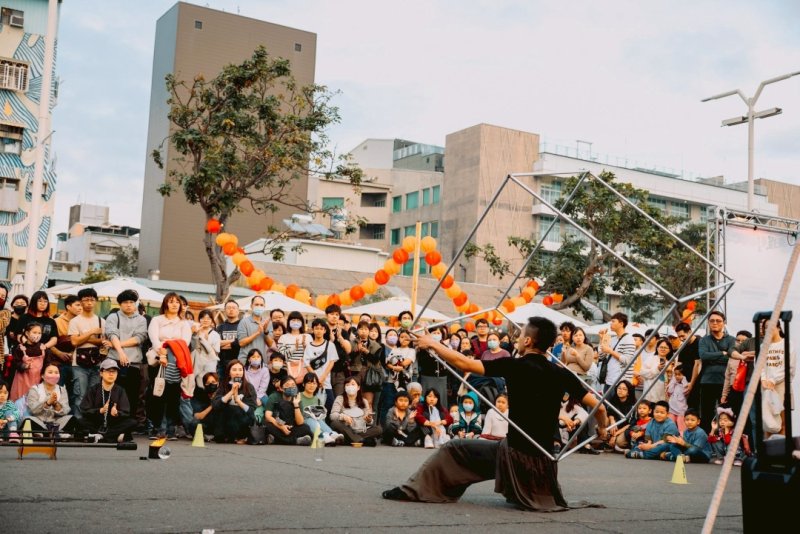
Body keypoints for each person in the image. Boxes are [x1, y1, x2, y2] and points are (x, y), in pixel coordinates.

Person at [383, 317, 608, 510]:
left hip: (514, 454)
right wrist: (602, 428)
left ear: (528, 341)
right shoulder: (562, 374)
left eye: (521, 336)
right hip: (545, 462)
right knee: (474, 448)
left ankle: (413, 490)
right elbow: (601, 407)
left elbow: (465, 363)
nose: (518, 340)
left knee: (454, 448)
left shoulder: (515, 365)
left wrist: (433, 344)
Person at [147, 292, 192, 440]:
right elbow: (154, 338)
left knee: (173, 396)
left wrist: (170, 349)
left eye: (177, 302)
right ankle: (158, 427)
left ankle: (171, 428)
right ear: (165, 303)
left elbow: (184, 342)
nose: (174, 304)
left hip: (177, 360)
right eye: (171, 301)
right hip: (159, 358)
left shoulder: (184, 323)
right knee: (158, 394)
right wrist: (163, 353)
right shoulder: (156, 320)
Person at [103, 289, 149, 433]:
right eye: (125, 302)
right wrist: (121, 353)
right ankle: (110, 423)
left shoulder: (141, 319)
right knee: (112, 393)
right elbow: (112, 334)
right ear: (120, 304)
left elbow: (139, 338)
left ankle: (127, 426)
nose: (129, 305)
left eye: (131, 302)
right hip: (114, 362)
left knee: (132, 396)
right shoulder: (113, 316)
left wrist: (118, 346)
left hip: (134, 362)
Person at [78, 359, 137, 442]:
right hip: (96, 423)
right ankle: (112, 437)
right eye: (108, 371)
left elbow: (126, 412)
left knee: (132, 422)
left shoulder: (120, 390)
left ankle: (101, 437)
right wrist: (100, 411)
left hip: (113, 424)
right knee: (80, 421)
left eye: (114, 371)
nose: (111, 374)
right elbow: (84, 409)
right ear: (101, 373)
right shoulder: (93, 389)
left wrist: (117, 413)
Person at [68, 288, 106, 418]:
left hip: (96, 362)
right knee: (80, 394)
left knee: (93, 395)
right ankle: (79, 423)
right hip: (78, 364)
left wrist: (83, 338)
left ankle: (90, 424)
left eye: (92, 299)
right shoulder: (75, 321)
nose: (89, 302)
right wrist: (91, 332)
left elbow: (103, 341)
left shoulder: (101, 321)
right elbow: (74, 342)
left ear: (95, 301)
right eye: (86, 300)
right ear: (81, 302)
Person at [698, 311, 736, 432]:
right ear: (708, 323)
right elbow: (703, 356)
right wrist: (722, 353)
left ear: (724, 323)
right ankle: (705, 443)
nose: (715, 323)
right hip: (707, 381)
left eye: (718, 321)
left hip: (725, 383)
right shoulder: (704, 340)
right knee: (706, 414)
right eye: (712, 321)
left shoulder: (731, 340)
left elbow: (731, 357)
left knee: (728, 414)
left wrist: (715, 356)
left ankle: (727, 443)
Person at [759, 321, 795, 438]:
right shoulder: (762, 346)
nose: (768, 329)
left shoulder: (787, 344)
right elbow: (759, 365)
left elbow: (789, 367)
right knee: (768, 424)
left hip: (781, 387)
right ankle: (769, 454)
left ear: (779, 328)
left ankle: (782, 453)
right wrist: (763, 379)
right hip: (766, 387)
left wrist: (773, 380)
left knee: (782, 424)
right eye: (765, 327)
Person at [24, 363, 77, 437]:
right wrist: (47, 403)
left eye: (56, 372)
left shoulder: (62, 390)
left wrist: (56, 404)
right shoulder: (35, 389)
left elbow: (66, 410)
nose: (54, 375)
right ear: (42, 375)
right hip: (39, 421)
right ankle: (55, 434)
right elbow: (32, 409)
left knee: (72, 418)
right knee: (27, 420)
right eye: (50, 372)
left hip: (56, 422)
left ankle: (49, 434)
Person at [330, 376, 382, 446]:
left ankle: (353, 439)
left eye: (353, 384)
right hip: (346, 429)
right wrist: (343, 417)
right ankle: (362, 440)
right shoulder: (340, 398)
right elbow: (332, 416)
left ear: (358, 387)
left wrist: (369, 420)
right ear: (345, 388)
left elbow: (369, 423)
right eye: (347, 385)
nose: (350, 387)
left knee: (378, 429)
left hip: (360, 430)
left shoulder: (364, 401)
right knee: (335, 423)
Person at [262, 375, 313, 445]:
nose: (291, 387)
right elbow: (268, 416)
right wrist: (282, 427)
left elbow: (300, 422)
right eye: (288, 385)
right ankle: (296, 441)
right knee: (267, 425)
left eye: (293, 385)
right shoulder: (274, 396)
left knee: (306, 428)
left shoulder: (297, 399)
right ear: (282, 388)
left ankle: (276, 440)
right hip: (277, 424)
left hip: (291, 426)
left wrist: (296, 404)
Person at [303, 318, 339, 416]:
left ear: (325, 330)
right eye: (316, 328)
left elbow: (332, 362)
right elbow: (307, 364)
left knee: (329, 407)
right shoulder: (309, 346)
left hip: (326, 383)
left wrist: (322, 378)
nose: (318, 331)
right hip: (312, 384)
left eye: (321, 328)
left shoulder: (330, 345)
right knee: (314, 410)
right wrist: (316, 380)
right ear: (312, 330)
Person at [298, 372, 341, 445]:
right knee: (311, 418)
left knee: (320, 420)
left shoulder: (318, 400)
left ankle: (331, 434)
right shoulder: (298, 396)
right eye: (309, 383)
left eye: (314, 383)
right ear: (303, 384)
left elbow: (322, 418)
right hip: (303, 422)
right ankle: (323, 436)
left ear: (317, 385)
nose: (312, 385)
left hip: (316, 422)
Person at [10, 321, 48, 401]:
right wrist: (24, 366)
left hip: (38, 379)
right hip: (23, 379)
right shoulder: (20, 348)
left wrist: (45, 373)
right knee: (21, 398)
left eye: (39, 333)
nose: (37, 335)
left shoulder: (43, 348)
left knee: (35, 398)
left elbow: (47, 362)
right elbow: (15, 362)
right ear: (27, 333)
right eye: (34, 332)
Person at [598, 312, 635, 394]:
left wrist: (611, 351)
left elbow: (627, 361)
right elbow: (601, 356)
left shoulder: (629, 339)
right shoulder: (613, 339)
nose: (611, 323)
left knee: (615, 406)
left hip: (621, 383)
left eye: (613, 321)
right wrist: (602, 339)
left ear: (621, 324)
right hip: (609, 379)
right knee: (606, 405)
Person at [324, 304, 352, 402]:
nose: (334, 316)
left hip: (339, 372)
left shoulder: (343, 332)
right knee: (325, 399)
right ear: (327, 315)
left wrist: (340, 337)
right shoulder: (321, 330)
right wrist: (330, 340)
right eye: (331, 314)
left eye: (337, 314)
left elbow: (348, 349)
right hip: (324, 371)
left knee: (338, 399)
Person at [183, 372, 219, 440]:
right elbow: (197, 416)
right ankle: (205, 435)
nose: (211, 384)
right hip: (205, 424)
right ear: (204, 385)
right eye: (208, 383)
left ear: (218, 383)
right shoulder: (200, 395)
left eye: (213, 382)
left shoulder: (221, 395)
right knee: (194, 423)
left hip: (218, 424)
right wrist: (213, 404)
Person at [603, 380, 636, 451]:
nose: (621, 391)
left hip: (625, 429)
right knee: (600, 426)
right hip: (616, 426)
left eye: (624, 389)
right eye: (619, 388)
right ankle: (608, 442)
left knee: (619, 442)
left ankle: (615, 444)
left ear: (628, 393)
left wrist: (615, 435)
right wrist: (612, 422)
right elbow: (610, 413)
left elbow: (630, 424)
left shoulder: (632, 405)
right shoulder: (613, 399)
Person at [675, 322, 701, 411]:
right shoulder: (683, 346)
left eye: (683, 336)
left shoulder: (699, 343)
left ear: (689, 331)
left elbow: (697, 365)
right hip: (684, 381)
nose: (681, 339)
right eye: (679, 337)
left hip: (696, 382)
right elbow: (678, 365)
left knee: (693, 407)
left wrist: (692, 383)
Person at [237, 295, 270, 365]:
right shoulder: (244, 322)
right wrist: (257, 333)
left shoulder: (267, 322)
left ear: (264, 307)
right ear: (251, 306)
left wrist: (266, 331)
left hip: (262, 361)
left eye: (261, 305)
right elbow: (241, 343)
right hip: (246, 361)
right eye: (256, 304)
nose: (259, 307)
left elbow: (270, 344)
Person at [215, 299, 241, 377]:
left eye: (233, 308)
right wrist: (234, 341)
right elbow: (216, 344)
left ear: (238, 311)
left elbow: (241, 343)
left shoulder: (243, 326)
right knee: (222, 387)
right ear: (225, 310)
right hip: (222, 364)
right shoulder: (220, 327)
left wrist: (223, 343)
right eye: (228, 308)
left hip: (239, 364)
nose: (231, 310)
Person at [641, 338, 670, 403]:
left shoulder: (670, 362)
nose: (663, 349)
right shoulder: (651, 359)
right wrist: (657, 369)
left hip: (664, 398)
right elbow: (642, 372)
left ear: (669, 350)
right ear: (657, 348)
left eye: (665, 348)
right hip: (650, 397)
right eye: (661, 347)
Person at [666, 363, 689, 434]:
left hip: (681, 411)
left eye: (679, 374)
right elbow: (670, 390)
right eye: (675, 374)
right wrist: (673, 380)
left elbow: (686, 391)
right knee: (670, 426)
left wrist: (684, 379)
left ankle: (682, 440)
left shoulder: (686, 385)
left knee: (681, 428)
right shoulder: (674, 383)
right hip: (672, 410)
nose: (677, 376)